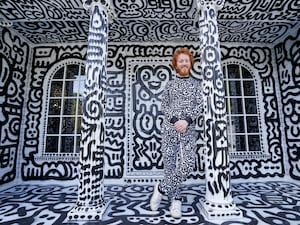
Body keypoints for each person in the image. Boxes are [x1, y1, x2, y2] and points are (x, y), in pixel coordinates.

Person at [150, 48, 203, 218]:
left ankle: (160, 188)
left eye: (186, 60)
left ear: (190, 63)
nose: (184, 63)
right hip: (169, 129)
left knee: (187, 165)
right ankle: (176, 200)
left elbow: (200, 106)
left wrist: (186, 120)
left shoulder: (197, 84)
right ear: (176, 64)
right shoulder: (170, 85)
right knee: (170, 167)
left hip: (188, 130)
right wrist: (175, 121)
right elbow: (164, 105)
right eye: (181, 61)